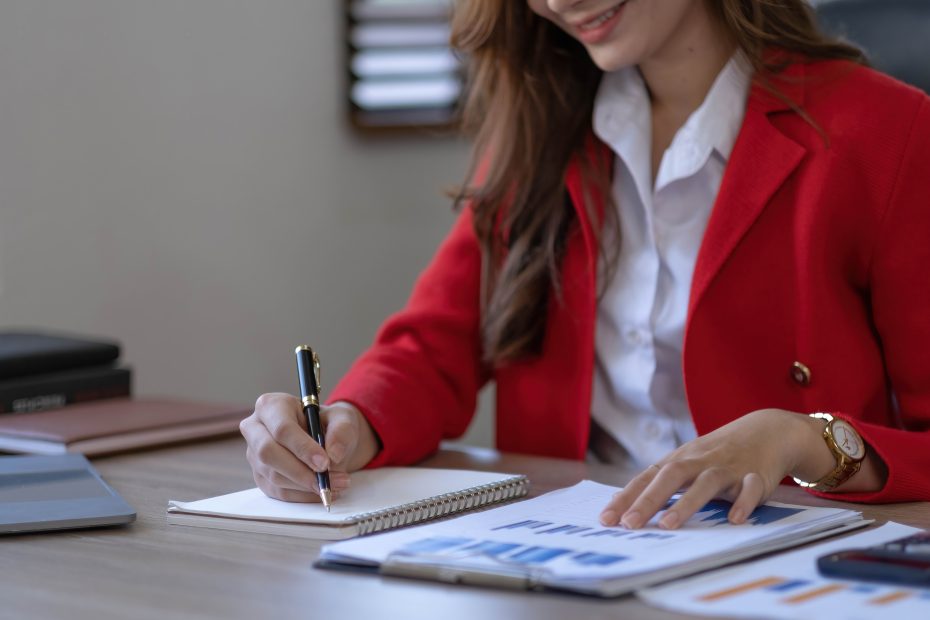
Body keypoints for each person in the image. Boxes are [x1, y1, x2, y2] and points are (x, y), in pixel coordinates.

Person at [240, 0, 930, 530]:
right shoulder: (541, 127)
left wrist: (801, 438)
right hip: (574, 559)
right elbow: (431, 348)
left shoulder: (888, 133)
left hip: (782, 571)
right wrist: (349, 424)